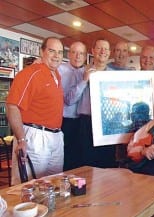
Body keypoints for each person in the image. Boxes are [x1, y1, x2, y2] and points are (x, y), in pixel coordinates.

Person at [6, 37, 64, 185]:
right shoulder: (30, 73)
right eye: (52, 51)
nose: (56, 56)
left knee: (53, 185)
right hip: (35, 136)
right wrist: (21, 139)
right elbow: (12, 106)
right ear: (42, 52)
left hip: (56, 137)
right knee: (28, 187)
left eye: (60, 52)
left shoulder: (57, 75)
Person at [66, 38, 117, 168]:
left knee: (107, 162)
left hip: (107, 123)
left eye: (106, 49)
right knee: (86, 163)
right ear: (93, 51)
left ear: (109, 53)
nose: (103, 51)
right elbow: (69, 100)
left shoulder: (115, 75)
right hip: (85, 124)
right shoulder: (80, 72)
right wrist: (84, 81)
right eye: (99, 48)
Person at [58, 41, 87, 171]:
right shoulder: (60, 70)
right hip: (65, 122)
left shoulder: (87, 71)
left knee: (79, 160)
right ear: (68, 54)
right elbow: (69, 100)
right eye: (74, 52)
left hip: (82, 122)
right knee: (65, 159)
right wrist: (84, 81)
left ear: (85, 56)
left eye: (81, 53)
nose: (77, 56)